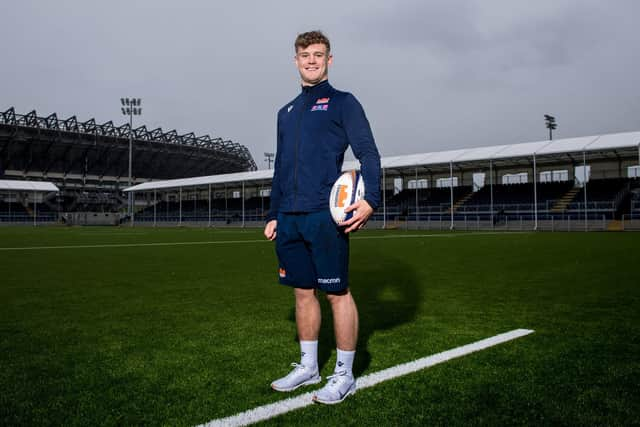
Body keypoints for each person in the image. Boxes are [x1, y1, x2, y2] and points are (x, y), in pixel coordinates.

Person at [264, 30, 381, 404]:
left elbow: (369, 153)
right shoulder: (285, 113)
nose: (311, 60)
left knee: (336, 293)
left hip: (324, 215)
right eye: (304, 55)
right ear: (295, 61)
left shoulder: (343, 103)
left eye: (318, 54)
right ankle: (308, 366)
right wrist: (273, 213)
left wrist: (371, 199)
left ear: (329, 60)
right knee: (302, 293)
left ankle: (344, 374)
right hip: (289, 217)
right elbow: (281, 168)